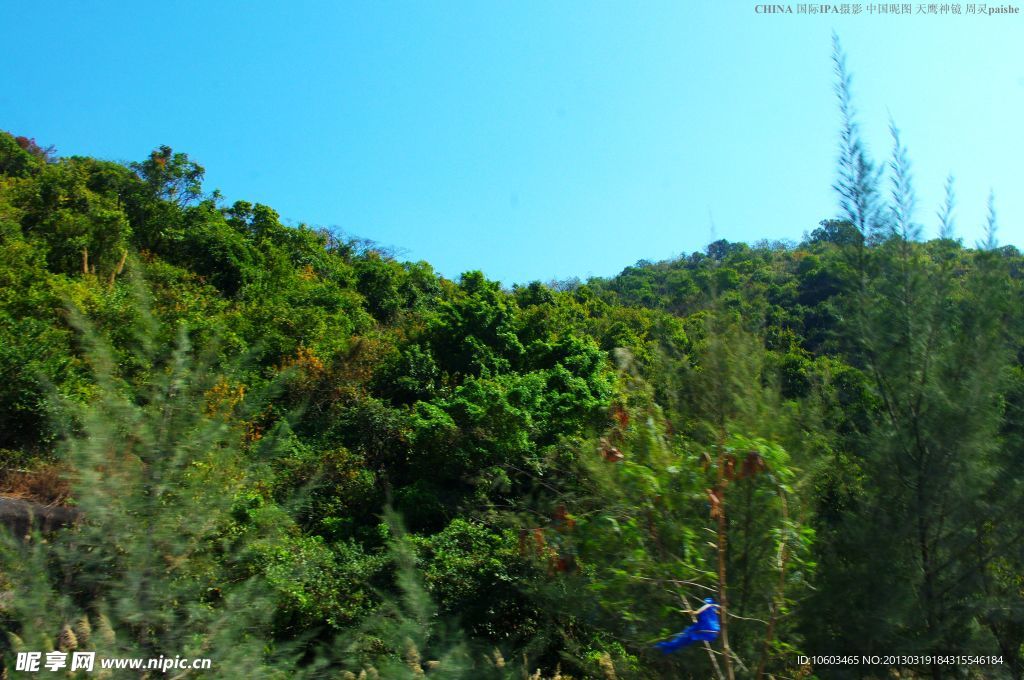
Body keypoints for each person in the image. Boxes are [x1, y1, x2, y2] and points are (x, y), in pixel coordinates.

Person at [653, 597, 721, 653]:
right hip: (712, 630)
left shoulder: (708, 605)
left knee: (684, 637)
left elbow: (696, 612)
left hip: (704, 627)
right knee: (687, 640)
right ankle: (666, 647)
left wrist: (688, 611)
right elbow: (719, 610)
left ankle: (664, 646)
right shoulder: (714, 608)